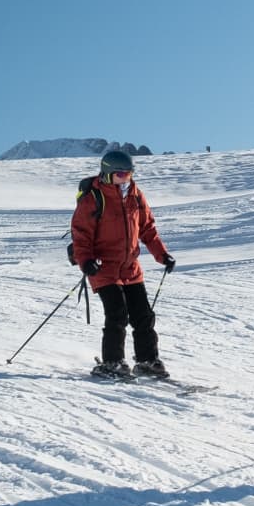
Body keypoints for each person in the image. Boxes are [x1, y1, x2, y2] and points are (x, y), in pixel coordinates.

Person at [70, 149, 176, 379]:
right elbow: (81, 234)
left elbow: (147, 230)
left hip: (130, 267)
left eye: (128, 174)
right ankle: (113, 363)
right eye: (120, 174)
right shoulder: (94, 197)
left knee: (143, 316)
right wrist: (86, 261)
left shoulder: (136, 196)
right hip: (103, 267)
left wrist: (163, 255)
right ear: (108, 173)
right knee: (117, 314)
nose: (125, 178)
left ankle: (147, 361)